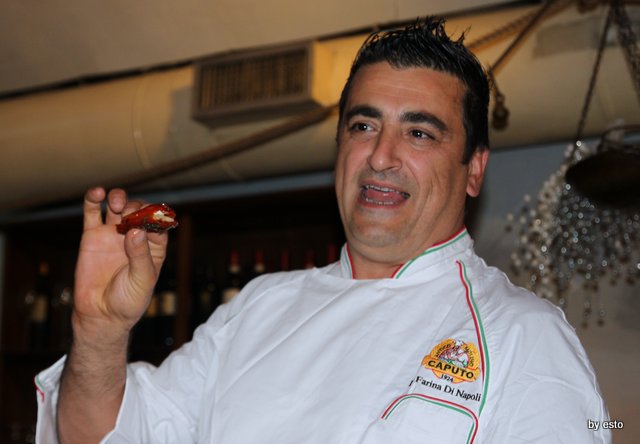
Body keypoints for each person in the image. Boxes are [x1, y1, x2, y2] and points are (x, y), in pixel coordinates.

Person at [35, 16, 611, 443]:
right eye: (363, 125)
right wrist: (100, 331)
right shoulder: (257, 310)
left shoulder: (522, 336)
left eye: (419, 133)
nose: (381, 156)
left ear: (474, 170)